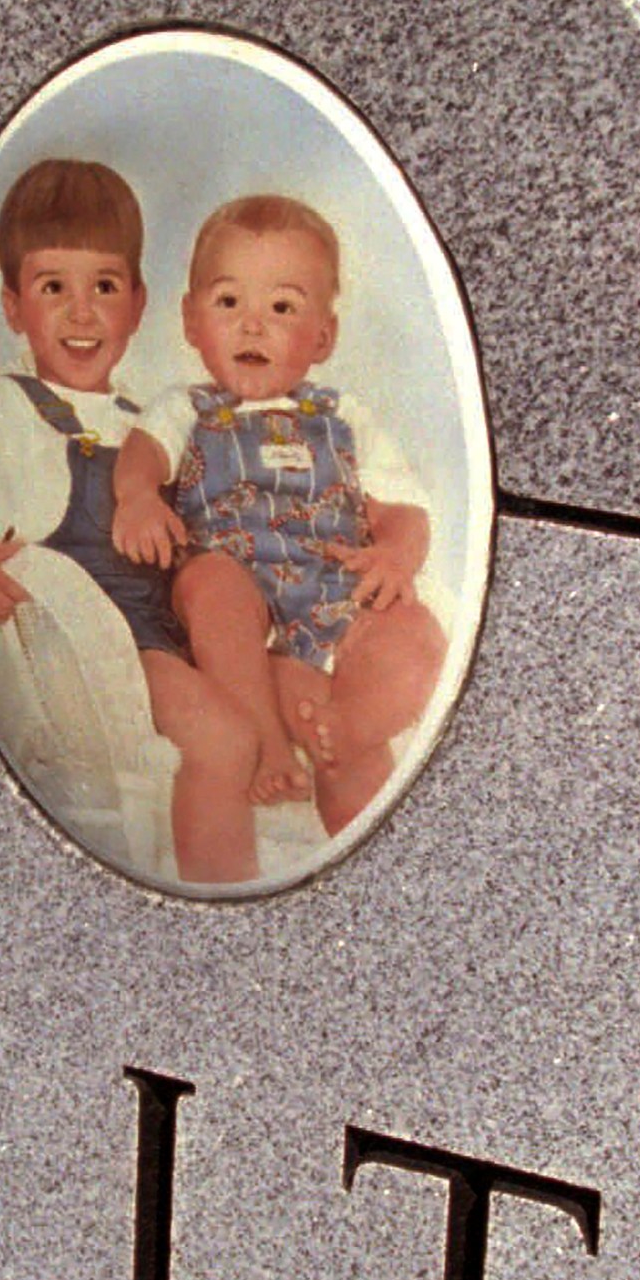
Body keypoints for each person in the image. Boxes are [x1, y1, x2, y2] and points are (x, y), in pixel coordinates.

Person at [0, 159, 261, 885]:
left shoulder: (138, 421)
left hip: (169, 629)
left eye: (105, 287)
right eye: (54, 287)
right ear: (13, 304)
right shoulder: (13, 410)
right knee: (225, 742)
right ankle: (217, 898)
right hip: (107, 653)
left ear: (139, 303)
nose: (82, 313)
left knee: (277, 690)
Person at [112, 194, 446, 836]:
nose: (252, 326)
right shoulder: (186, 408)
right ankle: (267, 740)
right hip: (250, 628)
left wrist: (396, 555)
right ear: (190, 320)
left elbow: (403, 508)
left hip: (338, 601)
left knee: (418, 635)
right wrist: (136, 497)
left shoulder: (344, 416)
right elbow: (142, 456)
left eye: (282, 307)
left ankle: (354, 728)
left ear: (324, 335)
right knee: (209, 584)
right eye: (229, 302)